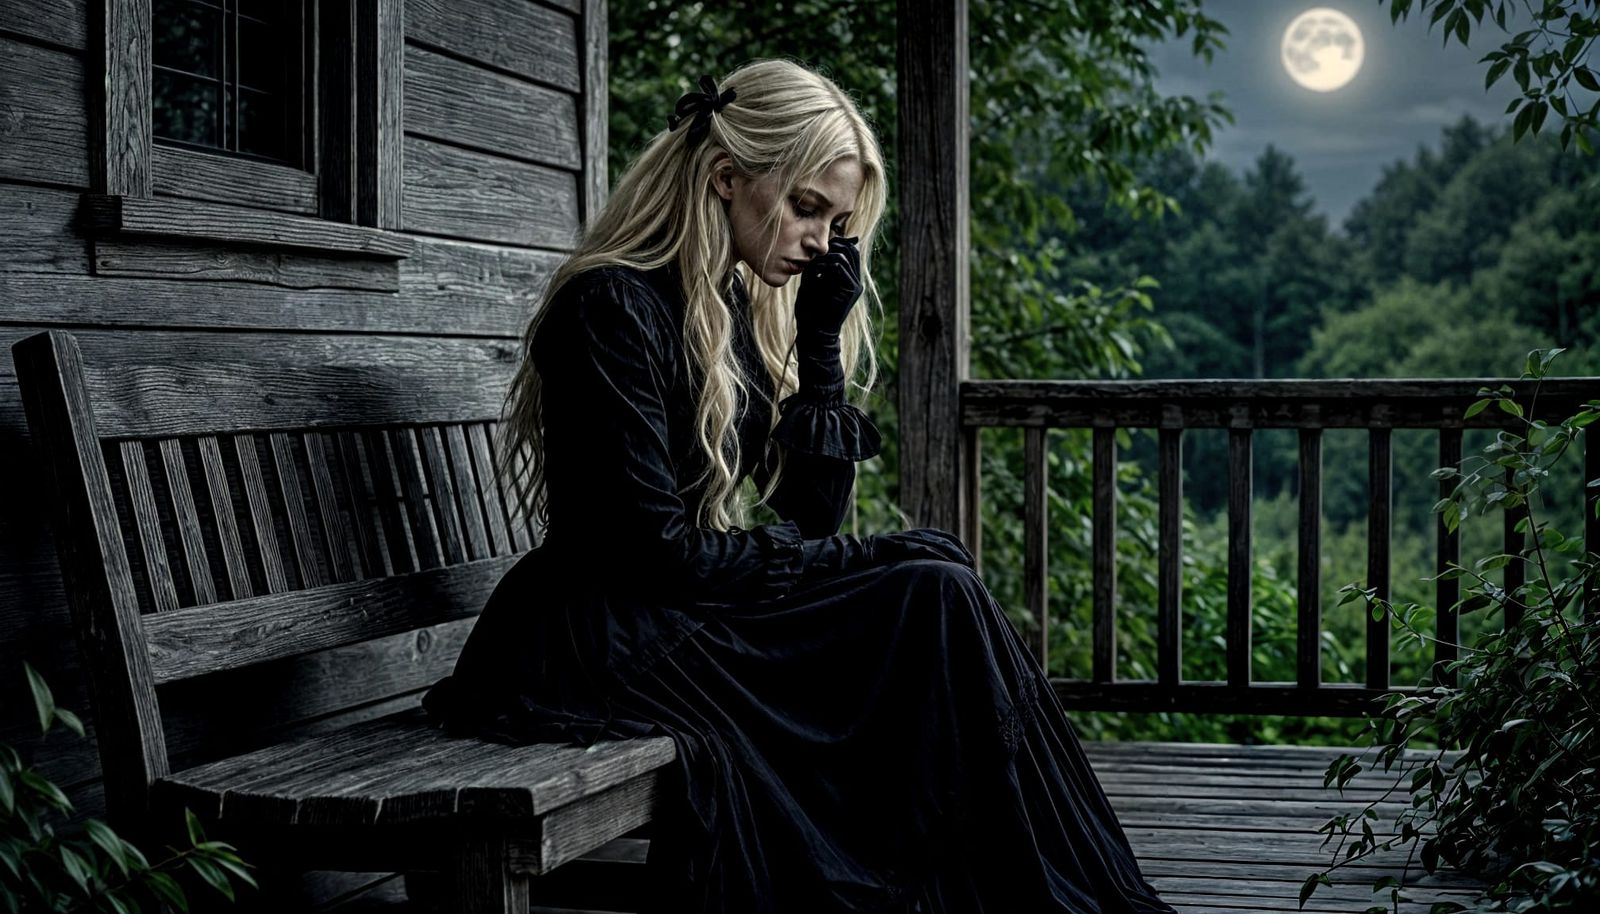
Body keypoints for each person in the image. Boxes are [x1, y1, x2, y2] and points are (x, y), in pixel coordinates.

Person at [422, 58, 1172, 914]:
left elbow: (809, 520)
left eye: (837, 220)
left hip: (676, 610)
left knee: (936, 587)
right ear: (725, 178)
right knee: (927, 590)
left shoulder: (725, 308)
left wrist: (820, 346)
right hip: (600, 640)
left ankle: (1023, 888)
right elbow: (650, 551)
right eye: (807, 208)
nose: (821, 241)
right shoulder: (609, 308)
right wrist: (839, 556)